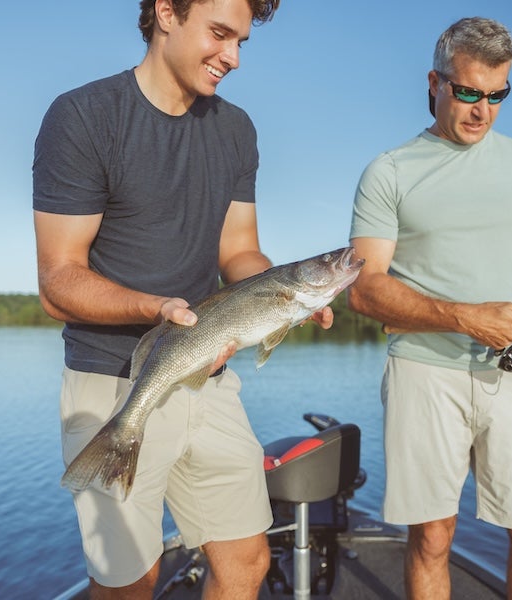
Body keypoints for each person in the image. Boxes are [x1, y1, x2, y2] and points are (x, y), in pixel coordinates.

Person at [32, 1, 333, 598]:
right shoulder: (84, 116)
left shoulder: (236, 128)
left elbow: (241, 253)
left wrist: (290, 292)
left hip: (208, 373)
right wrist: (157, 308)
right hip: (113, 379)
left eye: (243, 41)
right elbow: (58, 282)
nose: (234, 57)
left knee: (246, 561)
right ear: (165, 11)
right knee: (130, 581)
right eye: (220, 34)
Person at [347, 16, 512, 600]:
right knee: (433, 538)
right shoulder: (388, 171)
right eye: (468, 92)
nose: (481, 110)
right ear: (436, 82)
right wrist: (466, 316)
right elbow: (365, 288)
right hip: (423, 370)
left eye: (497, 96)